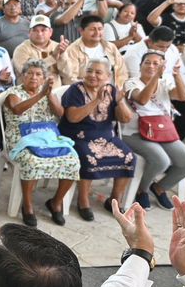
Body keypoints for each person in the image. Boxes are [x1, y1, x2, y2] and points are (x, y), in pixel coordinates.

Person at [54, 57, 135, 223]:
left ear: (107, 76)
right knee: (88, 158)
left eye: (98, 72)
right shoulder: (76, 89)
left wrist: (120, 101)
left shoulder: (111, 90)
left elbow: (126, 118)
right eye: (89, 71)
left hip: (106, 138)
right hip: (77, 136)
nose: (92, 75)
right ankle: (83, 200)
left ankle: (114, 200)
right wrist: (97, 100)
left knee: (129, 157)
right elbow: (72, 117)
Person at [0, 61, 78, 227]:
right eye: (30, 73)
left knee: (73, 160)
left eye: (38, 74)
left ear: (43, 78)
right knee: (31, 161)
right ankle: (27, 206)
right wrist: (41, 94)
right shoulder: (13, 93)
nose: (33, 77)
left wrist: (48, 95)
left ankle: (56, 203)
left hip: (47, 137)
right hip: (20, 138)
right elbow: (17, 109)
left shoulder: (48, 93)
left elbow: (60, 114)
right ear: (23, 76)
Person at [121, 50, 185, 209]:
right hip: (134, 133)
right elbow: (142, 100)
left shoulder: (165, 83)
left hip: (161, 132)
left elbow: (183, 97)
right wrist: (156, 77)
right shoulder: (131, 83)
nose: (151, 66)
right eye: (147, 62)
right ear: (140, 66)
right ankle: (141, 190)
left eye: (156, 64)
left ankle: (159, 188)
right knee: (161, 160)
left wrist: (177, 75)